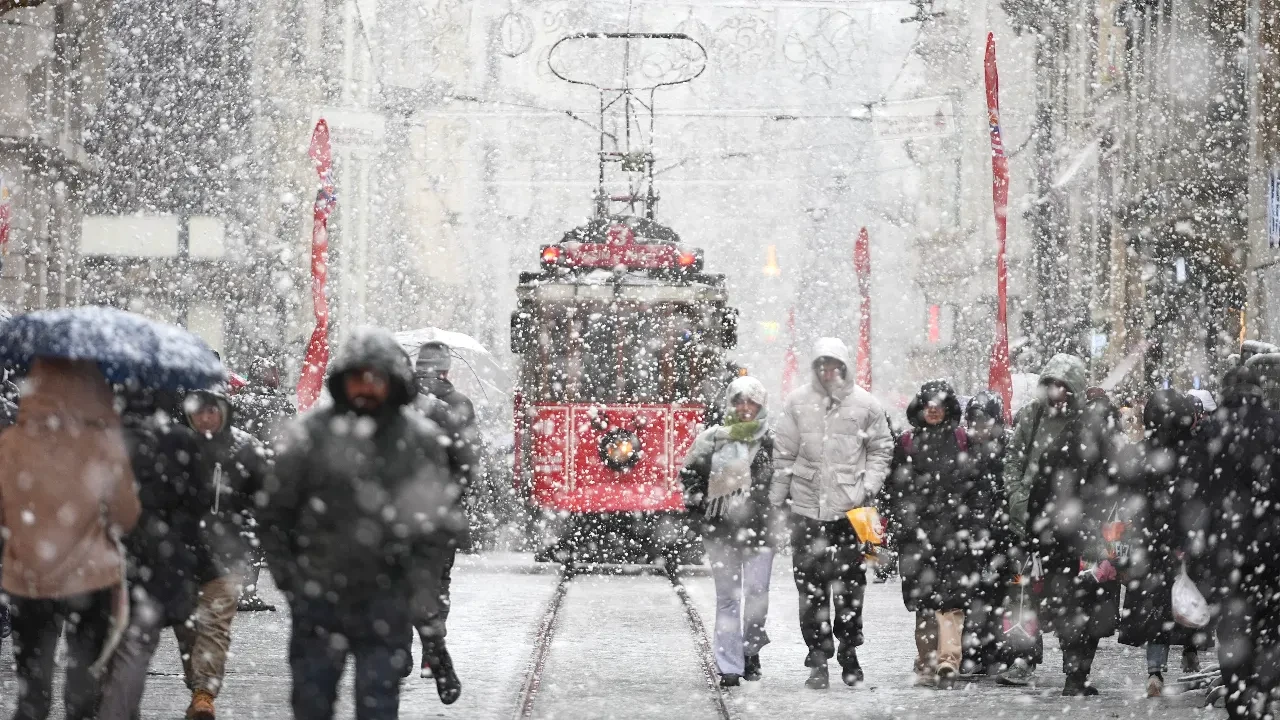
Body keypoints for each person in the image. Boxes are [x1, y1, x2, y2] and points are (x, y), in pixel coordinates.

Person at [260, 328, 464, 717]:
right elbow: (274, 516)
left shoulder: (417, 441)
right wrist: (294, 583)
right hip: (320, 597)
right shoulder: (311, 437)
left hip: (385, 600)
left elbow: (434, 526)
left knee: (377, 702)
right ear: (342, 381)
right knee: (312, 701)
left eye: (376, 379)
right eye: (358, 377)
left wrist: (415, 587)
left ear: (393, 383)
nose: (366, 388)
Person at [0, 358, 141, 720]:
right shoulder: (102, 442)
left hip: (27, 579)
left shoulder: (10, 444)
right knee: (84, 691)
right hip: (90, 579)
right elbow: (126, 516)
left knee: (33, 692)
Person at [770, 337, 894, 689]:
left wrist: (868, 486)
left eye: (834, 365)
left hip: (850, 514)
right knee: (810, 592)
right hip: (806, 512)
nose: (828, 372)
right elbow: (784, 455)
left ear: (843, 367)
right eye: (822, 365)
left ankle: (849, 651)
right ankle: (818, 657)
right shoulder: (797, 402)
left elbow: (881, 449)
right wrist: (778, 500)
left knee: (850, 591)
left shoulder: (865, 404)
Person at [1003, 354, 1123, 696]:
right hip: (1039, 524)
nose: (1058, 393)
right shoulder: (1033, 416)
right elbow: (1015, 461)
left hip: (1077, 531)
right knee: (1035, 595)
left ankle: (1075, 672)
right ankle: (1033, 660)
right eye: (1053, 385)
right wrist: (1019, 501)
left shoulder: (1090, 426)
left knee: (1079, 599)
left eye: (1065, 386)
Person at [100, 388, 212, 720]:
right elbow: (197, 504)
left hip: (113, 555)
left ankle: (113, 708)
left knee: (117, 645)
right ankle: (196, 693)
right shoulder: (179, 440)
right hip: (163, 559)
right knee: (142, 643)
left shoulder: (106, 438)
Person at [1186, 367, 1280, 719]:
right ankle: (1263, 692)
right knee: (1269, 625)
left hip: (1226, 549)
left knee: (1231, 628)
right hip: (1271, 548)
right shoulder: (1276, 426)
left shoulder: (1211, 431)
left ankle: (1240, 700)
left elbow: (1195, 494)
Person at [178, 387, 273, 719]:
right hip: (182, 557)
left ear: (224, 411)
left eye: (212, 411)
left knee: (215, 626)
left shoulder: (245, 449)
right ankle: (197, 686)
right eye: (199, 411)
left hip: (227, 557)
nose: (206, 418)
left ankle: (205, 694)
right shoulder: (176, 448)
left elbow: (265, 498)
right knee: (188, 628)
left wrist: (248, 531)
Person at [680, 376, 776, 687]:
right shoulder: (711, 439)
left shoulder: (773, 442)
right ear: (730, 404)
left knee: (758, 596)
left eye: (751, 401)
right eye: (739, 400)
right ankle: (729, 665)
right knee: (727, 599)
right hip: (721, 532)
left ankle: (750, 649)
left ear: (760, 405)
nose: (745, 407)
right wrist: (702, 510)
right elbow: (689, 477)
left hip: (761, 531)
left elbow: (786, 483)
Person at [883, 380, 980, 688]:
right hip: (917, 534)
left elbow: (978, 487)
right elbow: (893, 490)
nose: (934, 410)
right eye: (929, 404)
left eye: (939, 405)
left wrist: (972, 523)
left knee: (952, 600)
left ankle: (949, 660)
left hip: (954, 532)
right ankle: (927, 661)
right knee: (923, 601)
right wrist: (900, 523)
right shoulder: (907, 442)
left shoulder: (964, 440)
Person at [1114, 389, 1209, 698]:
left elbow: (1127, 502)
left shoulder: (1140, 453)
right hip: (1186, 541)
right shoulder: (1196, 453)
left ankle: (1155, 670)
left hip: (1150, 543)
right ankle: (1192, 654)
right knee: (1189, 599)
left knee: (1155, 608)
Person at [408, 341, 477, 695]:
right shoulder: (460, 404)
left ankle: (403, 649)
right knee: (438, 582)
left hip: (401, 509)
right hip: (441, 511)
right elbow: (468, 461)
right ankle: (430, 654)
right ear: (448, 369)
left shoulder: (402, 404)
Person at [963, 392, 1014, 677]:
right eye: (975, 421)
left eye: (985, 421)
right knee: (974, 595)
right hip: (973, 533)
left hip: (1000, 534)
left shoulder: (1007, 448)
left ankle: (995, 650)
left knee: (998, 596)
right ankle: (974, 652)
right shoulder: (965, 448)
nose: (979, 427)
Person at [231, 356, 296, 444]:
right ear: (274, 379)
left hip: (241, 455)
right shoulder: (284, 406)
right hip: (275, 455)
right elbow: (294, 437)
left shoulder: (233, 402)